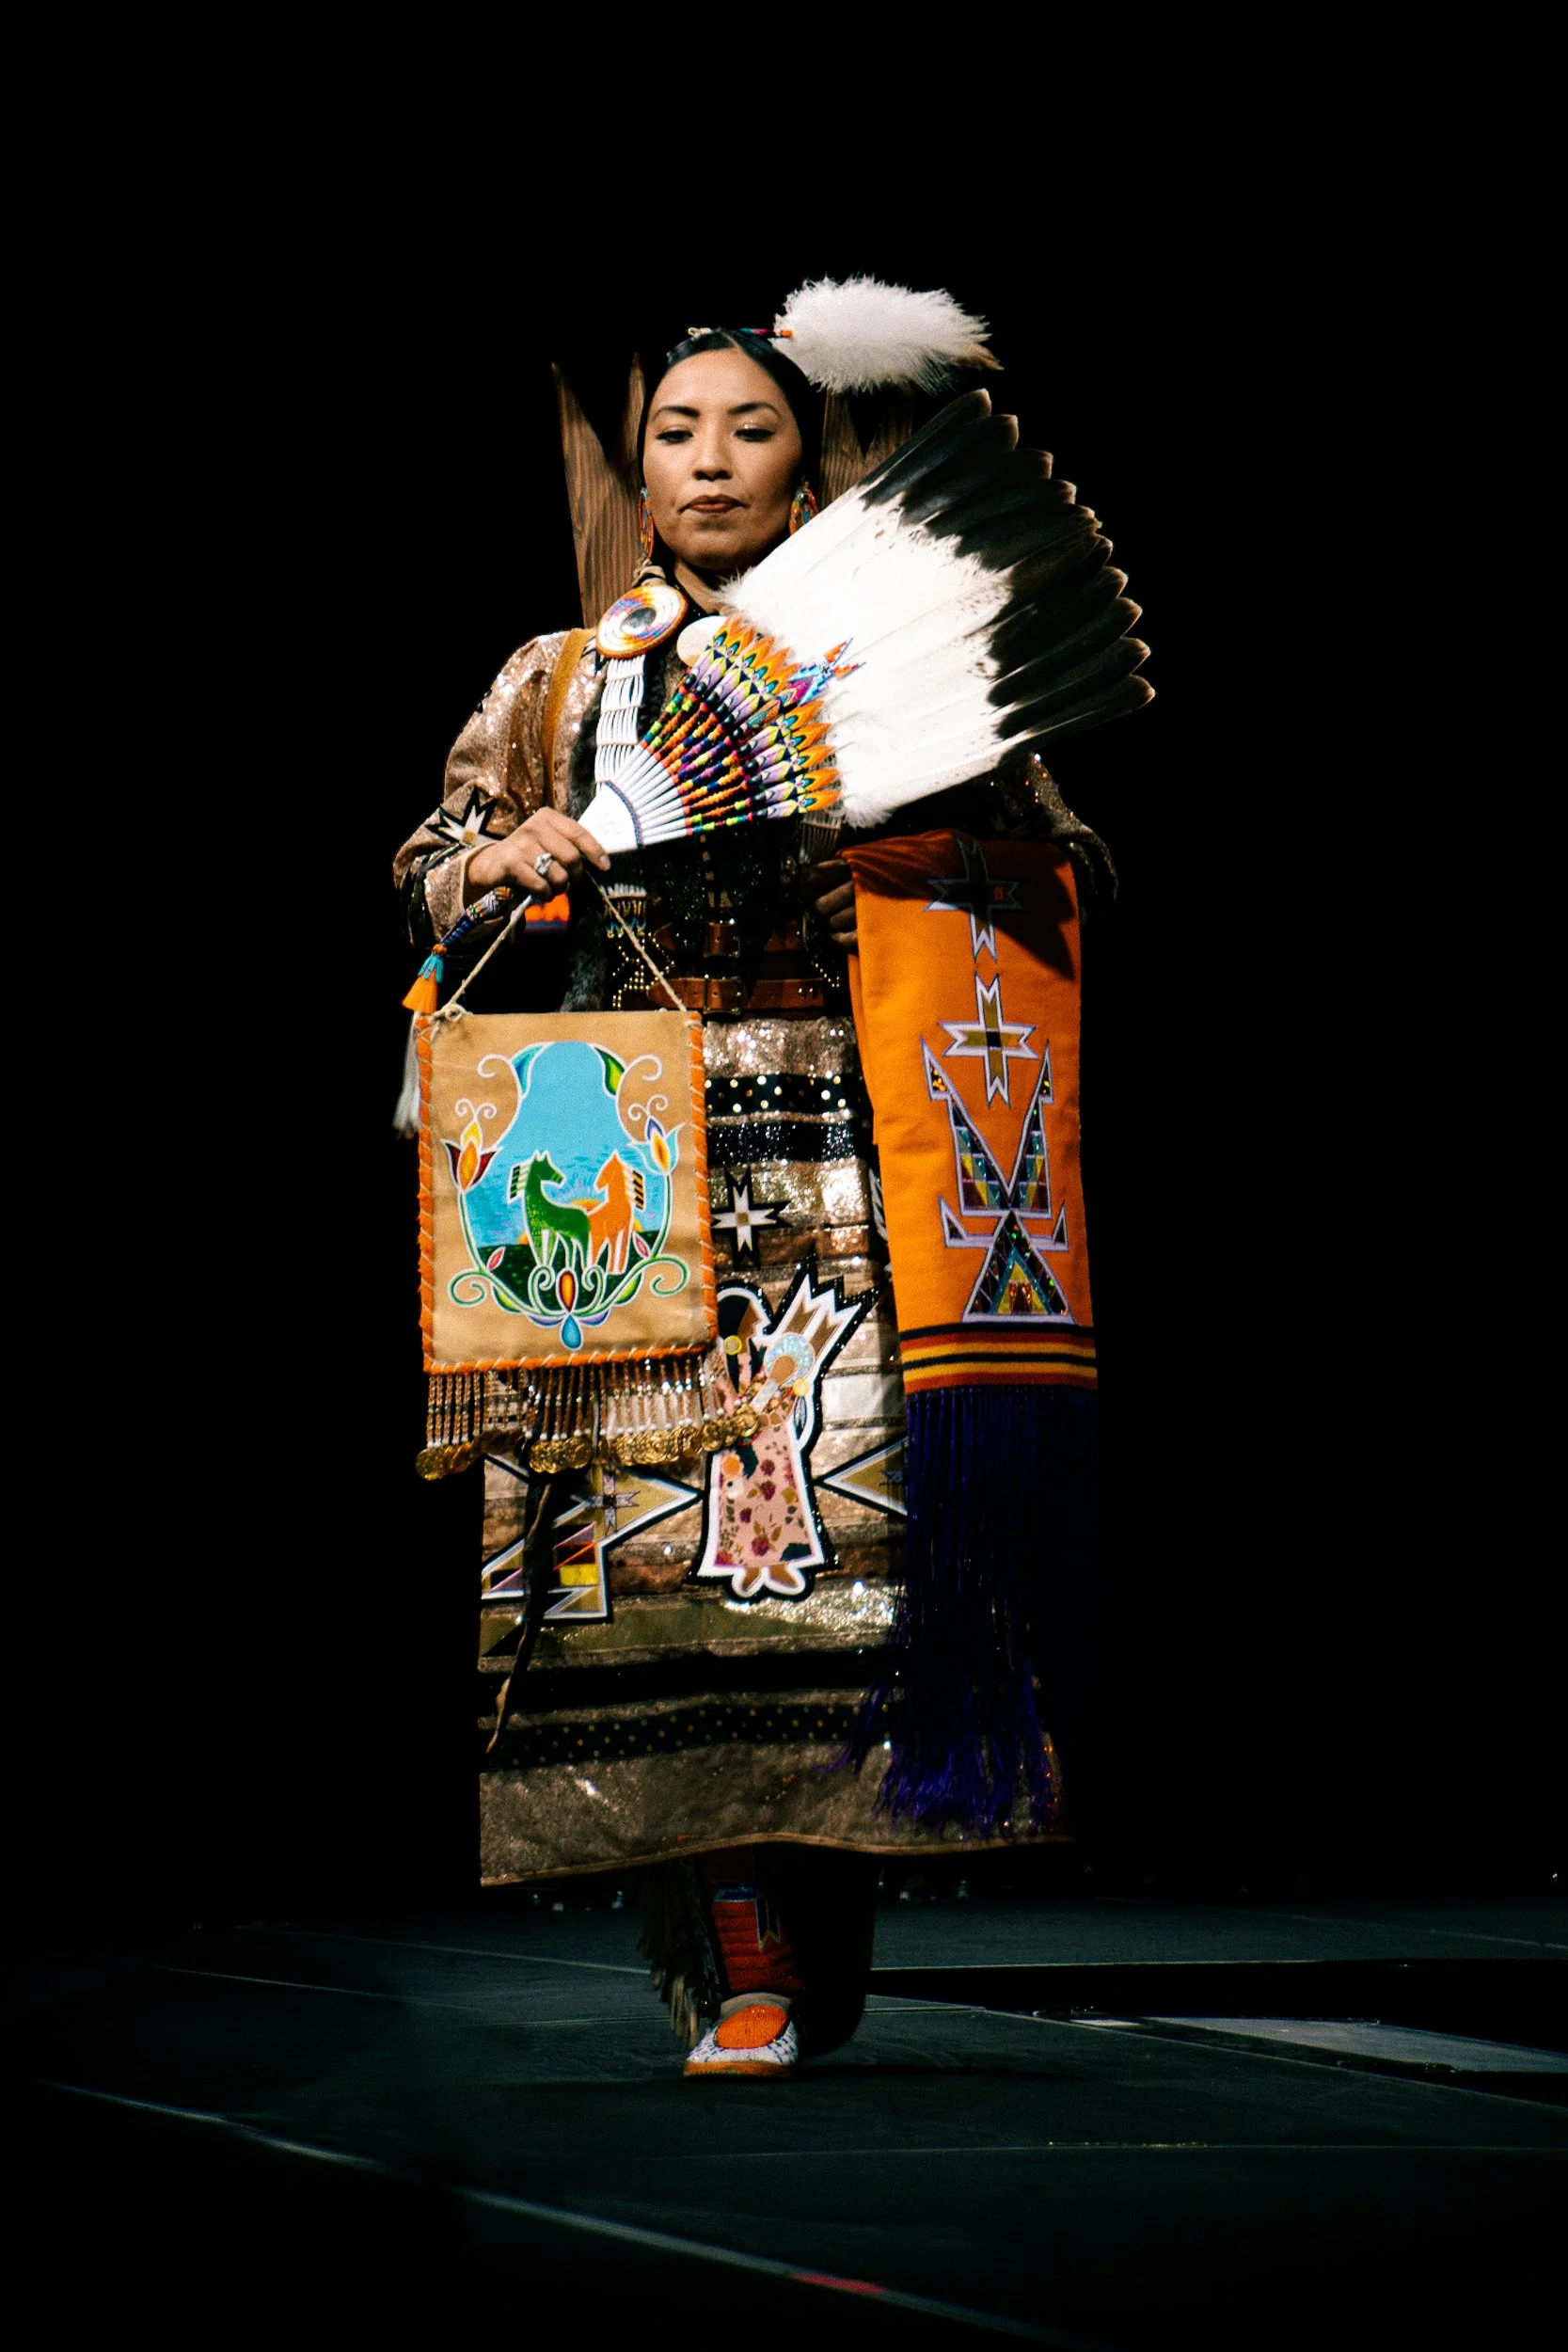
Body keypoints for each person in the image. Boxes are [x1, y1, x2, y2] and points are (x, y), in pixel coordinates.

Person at [394, 294, 1120, 2078]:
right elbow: (426, 859)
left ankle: (813, 1917)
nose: (708, 462)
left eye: (748, 430)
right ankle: (739, 1957)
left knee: (827, 1562)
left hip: (852, 1169)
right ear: (639, 471)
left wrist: (914, 859)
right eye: (676, 432)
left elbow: (1065, 858)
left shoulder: (896, 659)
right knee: (650, 1557)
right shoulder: (561, 680)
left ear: (807, 469)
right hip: (617, 1161)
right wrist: (499, 855)